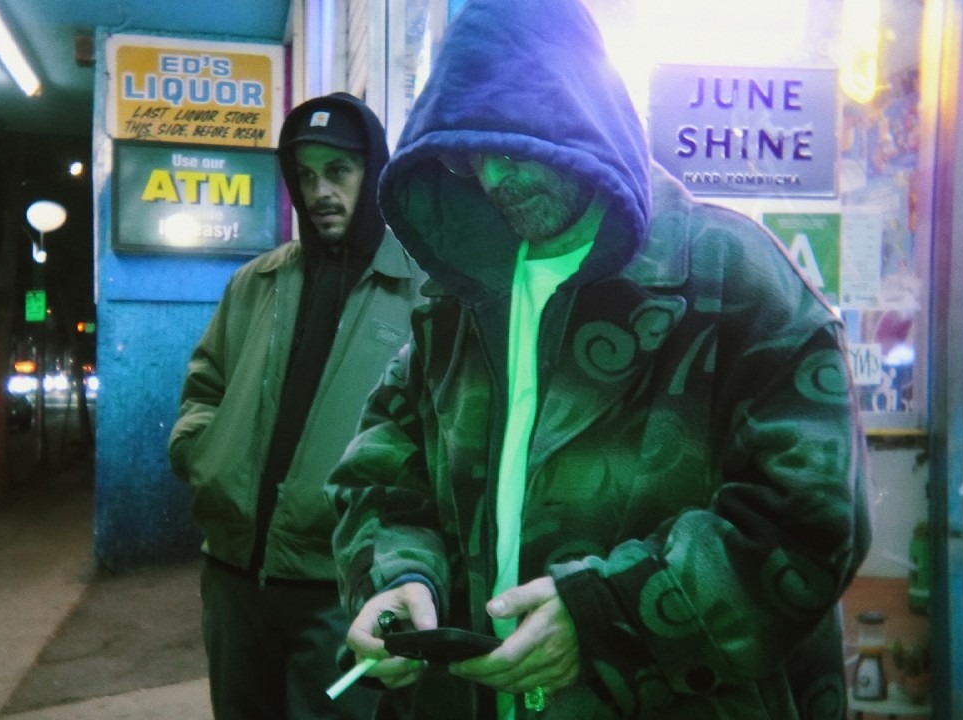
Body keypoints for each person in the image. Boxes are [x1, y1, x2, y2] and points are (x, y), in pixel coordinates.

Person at [327, 0, 871, 718]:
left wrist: (610, 618)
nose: (493, 177)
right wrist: (401, 576)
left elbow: (809, 518)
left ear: (579, 115)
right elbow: (383, 471)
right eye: (469, 155)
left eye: (514, 146)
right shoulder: (462, 299)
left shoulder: (731, 276)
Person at [169, 91, 426, 720]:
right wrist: (204, 457)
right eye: (305, 176)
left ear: (374, 173)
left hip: (342, 585)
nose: (320, 192)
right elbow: (205, 387)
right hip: (234, 575)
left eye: (338, 171)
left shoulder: (421, 293)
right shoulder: (255, 283)